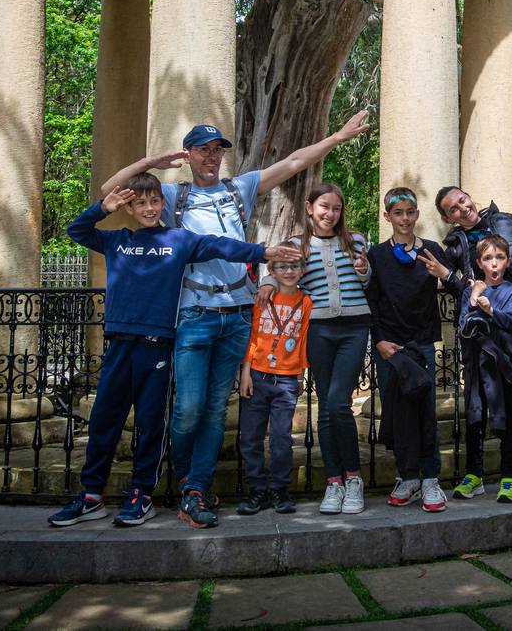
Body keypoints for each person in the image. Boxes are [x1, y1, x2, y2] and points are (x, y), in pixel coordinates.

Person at [101, 113, 368, 529]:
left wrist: (335, 137)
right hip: (193, 314)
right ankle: (185, 471)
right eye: (204, 150)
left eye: (217, 150)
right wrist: (152, 161)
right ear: (189, 155)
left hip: (239, 314)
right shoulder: (172, 196)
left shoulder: (237, 188)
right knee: (188, 408)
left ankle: (197, 488)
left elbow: (295, 162)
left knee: (213, 410)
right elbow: (108, 189)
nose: (212, 157)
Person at [49, 173, 300, 528]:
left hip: (157, 345)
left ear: (163, 205)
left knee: (152, 423)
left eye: (154, 202)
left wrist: (263, 253)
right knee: (105, 418)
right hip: (120, 343)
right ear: (130, 208)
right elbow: (77, 230)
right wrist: (102, 208)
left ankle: (141, 495)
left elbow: (220, 245)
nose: (149, 208)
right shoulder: (117, 241)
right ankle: (91, 495)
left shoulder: (179, 240)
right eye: (140, 203)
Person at [428, 187, 512, 503]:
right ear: (448, 218)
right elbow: (464, 288)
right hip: (493, 314)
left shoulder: (504, 220)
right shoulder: (456, 245)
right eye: (453, 209)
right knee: (507, 389)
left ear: (470, 198)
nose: (462, 208)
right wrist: (450, 277)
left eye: (462, 200)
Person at [258, 183, 371, 515]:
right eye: (324, 206)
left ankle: (353, 479)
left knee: (338, 402)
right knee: (325, 406)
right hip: (317, 328)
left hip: (354, 325)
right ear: (309, 207)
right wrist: (267, 282)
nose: (330, 214)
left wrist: (364, 271)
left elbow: (365, 280)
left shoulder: (356, 240)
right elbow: (276, 272)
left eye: (336, 208)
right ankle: (333, 482)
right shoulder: (295, 245)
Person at [366, 188, 450, 512]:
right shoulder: (377, 255)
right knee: (397, 415)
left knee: (424, 412)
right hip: (389, 347)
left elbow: (456, 283)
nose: (404, 218)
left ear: (417, 215)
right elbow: (370, 302)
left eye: (409, 212)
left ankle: (430, 479)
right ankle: (408, 476)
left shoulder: (431, 250)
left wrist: (442, 274)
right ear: (387, 216)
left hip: (421, 345)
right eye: (397, 213)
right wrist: (378, 341)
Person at [234, 257, 311, 517]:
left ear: (303, 270)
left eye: (294, 266)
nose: (288, 271)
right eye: (282, 267)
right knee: (250, 437)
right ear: (272, 271)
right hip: (257, 375)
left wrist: (300, 376)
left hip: (287, 379)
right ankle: (256, 488)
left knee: (281, 438)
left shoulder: (305, 302)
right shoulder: (262, 298)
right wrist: (245, 371)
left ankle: (279, 488)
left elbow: (302, 341)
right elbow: (252, 335)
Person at [454, 235, 512, 503]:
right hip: (476, 368)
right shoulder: (471, 291)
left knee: (505, 420)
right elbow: (463, 326)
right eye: (488, 258)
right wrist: (475, 297)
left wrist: (492, 311)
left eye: (499, 258)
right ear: (479, 263)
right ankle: (474, 475)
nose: (494, 264)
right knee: (474, 420)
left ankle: (511, 475)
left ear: (508, 261)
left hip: (502, 368)